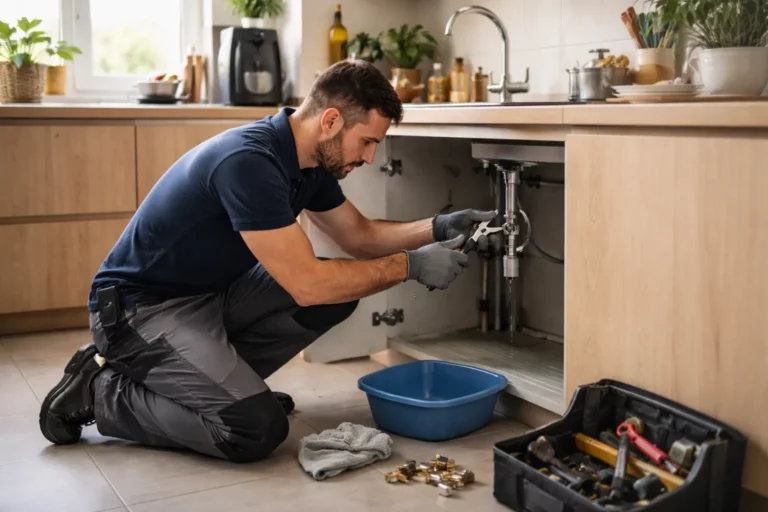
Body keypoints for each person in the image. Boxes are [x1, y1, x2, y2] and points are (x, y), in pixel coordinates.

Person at [38, 59, 495, 463]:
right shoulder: (248, 162)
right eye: (368, 142)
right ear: (332, 120)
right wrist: (410, 266)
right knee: (254, 430)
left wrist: (438, 226)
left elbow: (359, 236)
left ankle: (225, 392)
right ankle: (103, 392)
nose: (371, 157)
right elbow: (308, 284)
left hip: (210, 294)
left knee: (338, 295)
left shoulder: (308, 161)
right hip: (139, 311)